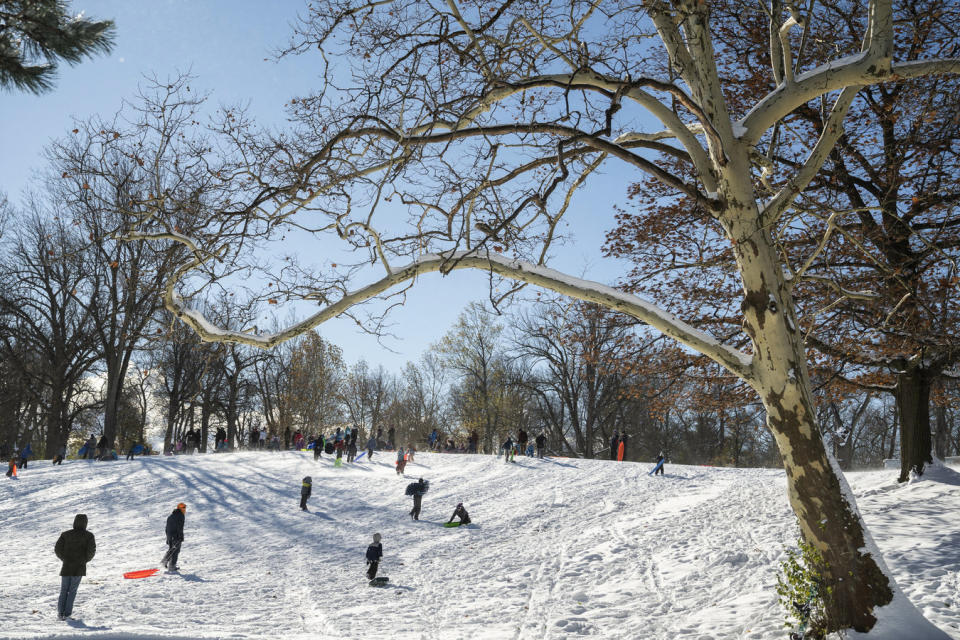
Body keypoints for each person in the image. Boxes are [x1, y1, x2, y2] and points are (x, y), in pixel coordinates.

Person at [54, 514, 96, 620]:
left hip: (67, 566)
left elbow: (57, 549)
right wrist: (84, 560)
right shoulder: (89, 536)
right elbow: (91, 551)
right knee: (72, 591)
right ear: (86, 523)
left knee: (64, 590)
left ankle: (60, 613)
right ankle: (67, 614)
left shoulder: (65, 535)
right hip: (79, 567)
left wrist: (64, 558)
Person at [162, 503, 186, 571]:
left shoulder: (171, 516)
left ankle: (164, 562)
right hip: (176, 536)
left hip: (170, 536)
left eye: (184, 507)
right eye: (183, 507)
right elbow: (180, 527)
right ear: (179, 508)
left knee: (171, 550)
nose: (184, 509)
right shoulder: (180, 515)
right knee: (176, 551)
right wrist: (180, 537)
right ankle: (172, 566)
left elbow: (167, 528)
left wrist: (168, 538)